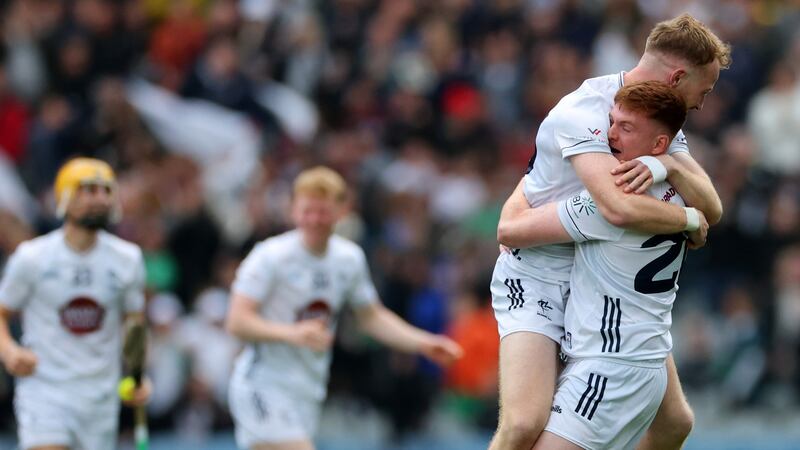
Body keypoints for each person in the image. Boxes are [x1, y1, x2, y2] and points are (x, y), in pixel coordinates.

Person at [489, 13, 731, 450]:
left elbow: (712, 205)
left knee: (674, 421)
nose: (701, 103)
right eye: (704, 90)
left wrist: (672, 165)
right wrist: (688, 220)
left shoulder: (654, 120)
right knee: (524, 424)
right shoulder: (590, 111)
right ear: (678, 76)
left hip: (595, 277)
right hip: (539, 270)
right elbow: (616, 207)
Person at [224, 166, 464, 450]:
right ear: (293, 210)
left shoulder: (348, 259)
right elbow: (237, 321)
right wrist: (292, 334)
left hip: (307, 390)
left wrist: (423, 343)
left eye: (322, 211)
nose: (314, 220)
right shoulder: (270, 256)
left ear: (341, 211)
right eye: (307, 211)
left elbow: (371, 316)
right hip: (262, 384)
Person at [506, 80, 689, 448]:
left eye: (626, 128)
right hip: (645, 365)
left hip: (608, 370)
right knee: (677, 422)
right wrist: (694, 218)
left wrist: (526, 185)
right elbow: (710, 209)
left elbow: (509, 229)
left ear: (658, 145)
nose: (609, 134)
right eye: (612, 121)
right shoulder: (681, 194)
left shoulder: (613, 205)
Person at [0, 157, 151, 450]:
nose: (100, 199)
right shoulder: (32, 257)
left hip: (100, 396)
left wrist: (139, 376)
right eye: (88, 190)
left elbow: (135, 325)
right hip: (45, 390)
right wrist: (8, 351)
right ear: (64, 199)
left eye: (106, 190)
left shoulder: (128, 259)